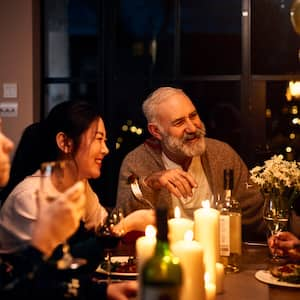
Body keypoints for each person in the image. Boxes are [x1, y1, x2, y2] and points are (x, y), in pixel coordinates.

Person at [0, 101, 148, 299]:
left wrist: (105, 291)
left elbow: (100, 226)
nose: (106, 150)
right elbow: (50, 271)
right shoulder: (29, 196)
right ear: (65, 143)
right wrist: (125, 226)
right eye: (98, 139)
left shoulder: (78, 185)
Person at [116, 86, 266, 241]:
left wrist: (287, 233)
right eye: (179, 122)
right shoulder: (136, 162)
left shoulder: (223, 154)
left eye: (193, 116)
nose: (193, 127)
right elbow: (122, 224)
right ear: (156, 131)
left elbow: (256, 211)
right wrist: (149, 184)